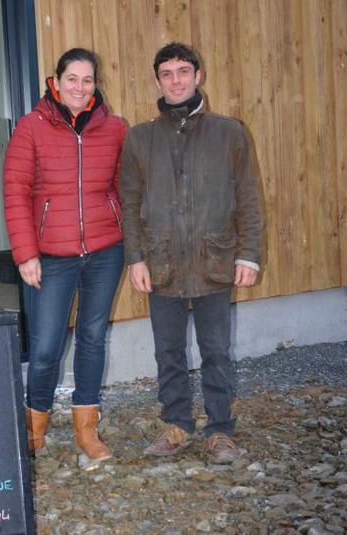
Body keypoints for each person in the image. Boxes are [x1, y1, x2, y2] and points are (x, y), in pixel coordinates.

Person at [119, 42, 262, 464]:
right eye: (167, 73)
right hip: (160, 262)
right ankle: (177, 424)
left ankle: (220, 430)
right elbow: (129, 203)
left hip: (214, 260)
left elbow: (249, 198)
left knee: (216, 349)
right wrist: (136, 257)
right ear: (158, 80)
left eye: (183, 71)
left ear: (198, 75)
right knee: (168, 351)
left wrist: (248, 254)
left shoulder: (229, 133)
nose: (176, 80)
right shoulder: (140, 138)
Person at [3, 48, 127, 463]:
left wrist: (121, 228)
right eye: (71, 78)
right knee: (44, 348)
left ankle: (85, 430)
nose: (79, 87)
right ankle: (34, 430)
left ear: (96, 84)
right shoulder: (31, 127)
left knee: (92, 337)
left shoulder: (115, 129)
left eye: (87, 80)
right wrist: (25, 254)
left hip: (105, 253)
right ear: (55, 81)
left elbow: (122, 188)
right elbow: (16, 192)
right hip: (50, 257)